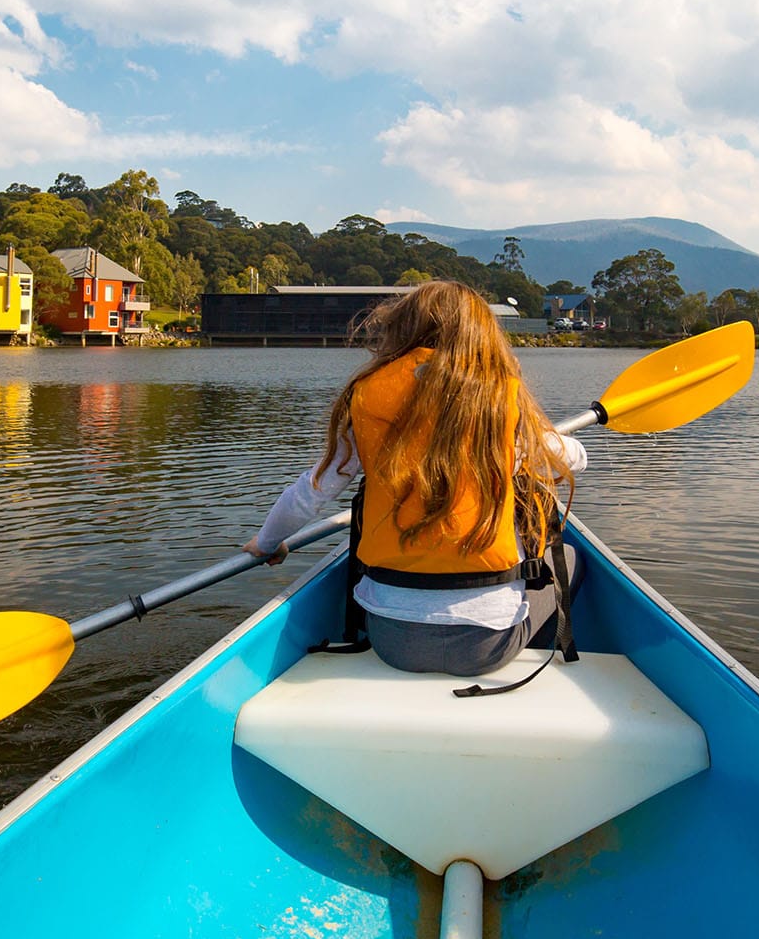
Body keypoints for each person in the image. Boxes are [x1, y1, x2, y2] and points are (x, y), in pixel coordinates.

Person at [243, 280, 587, 677]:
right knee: (573, 559)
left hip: (393, 642)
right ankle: (534, 655)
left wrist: (268, 542)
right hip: (488, 649)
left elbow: (309, 493)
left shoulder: (368, 394)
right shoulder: (500, 397)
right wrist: (545, 442)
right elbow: (573, 460)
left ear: (402, 329)